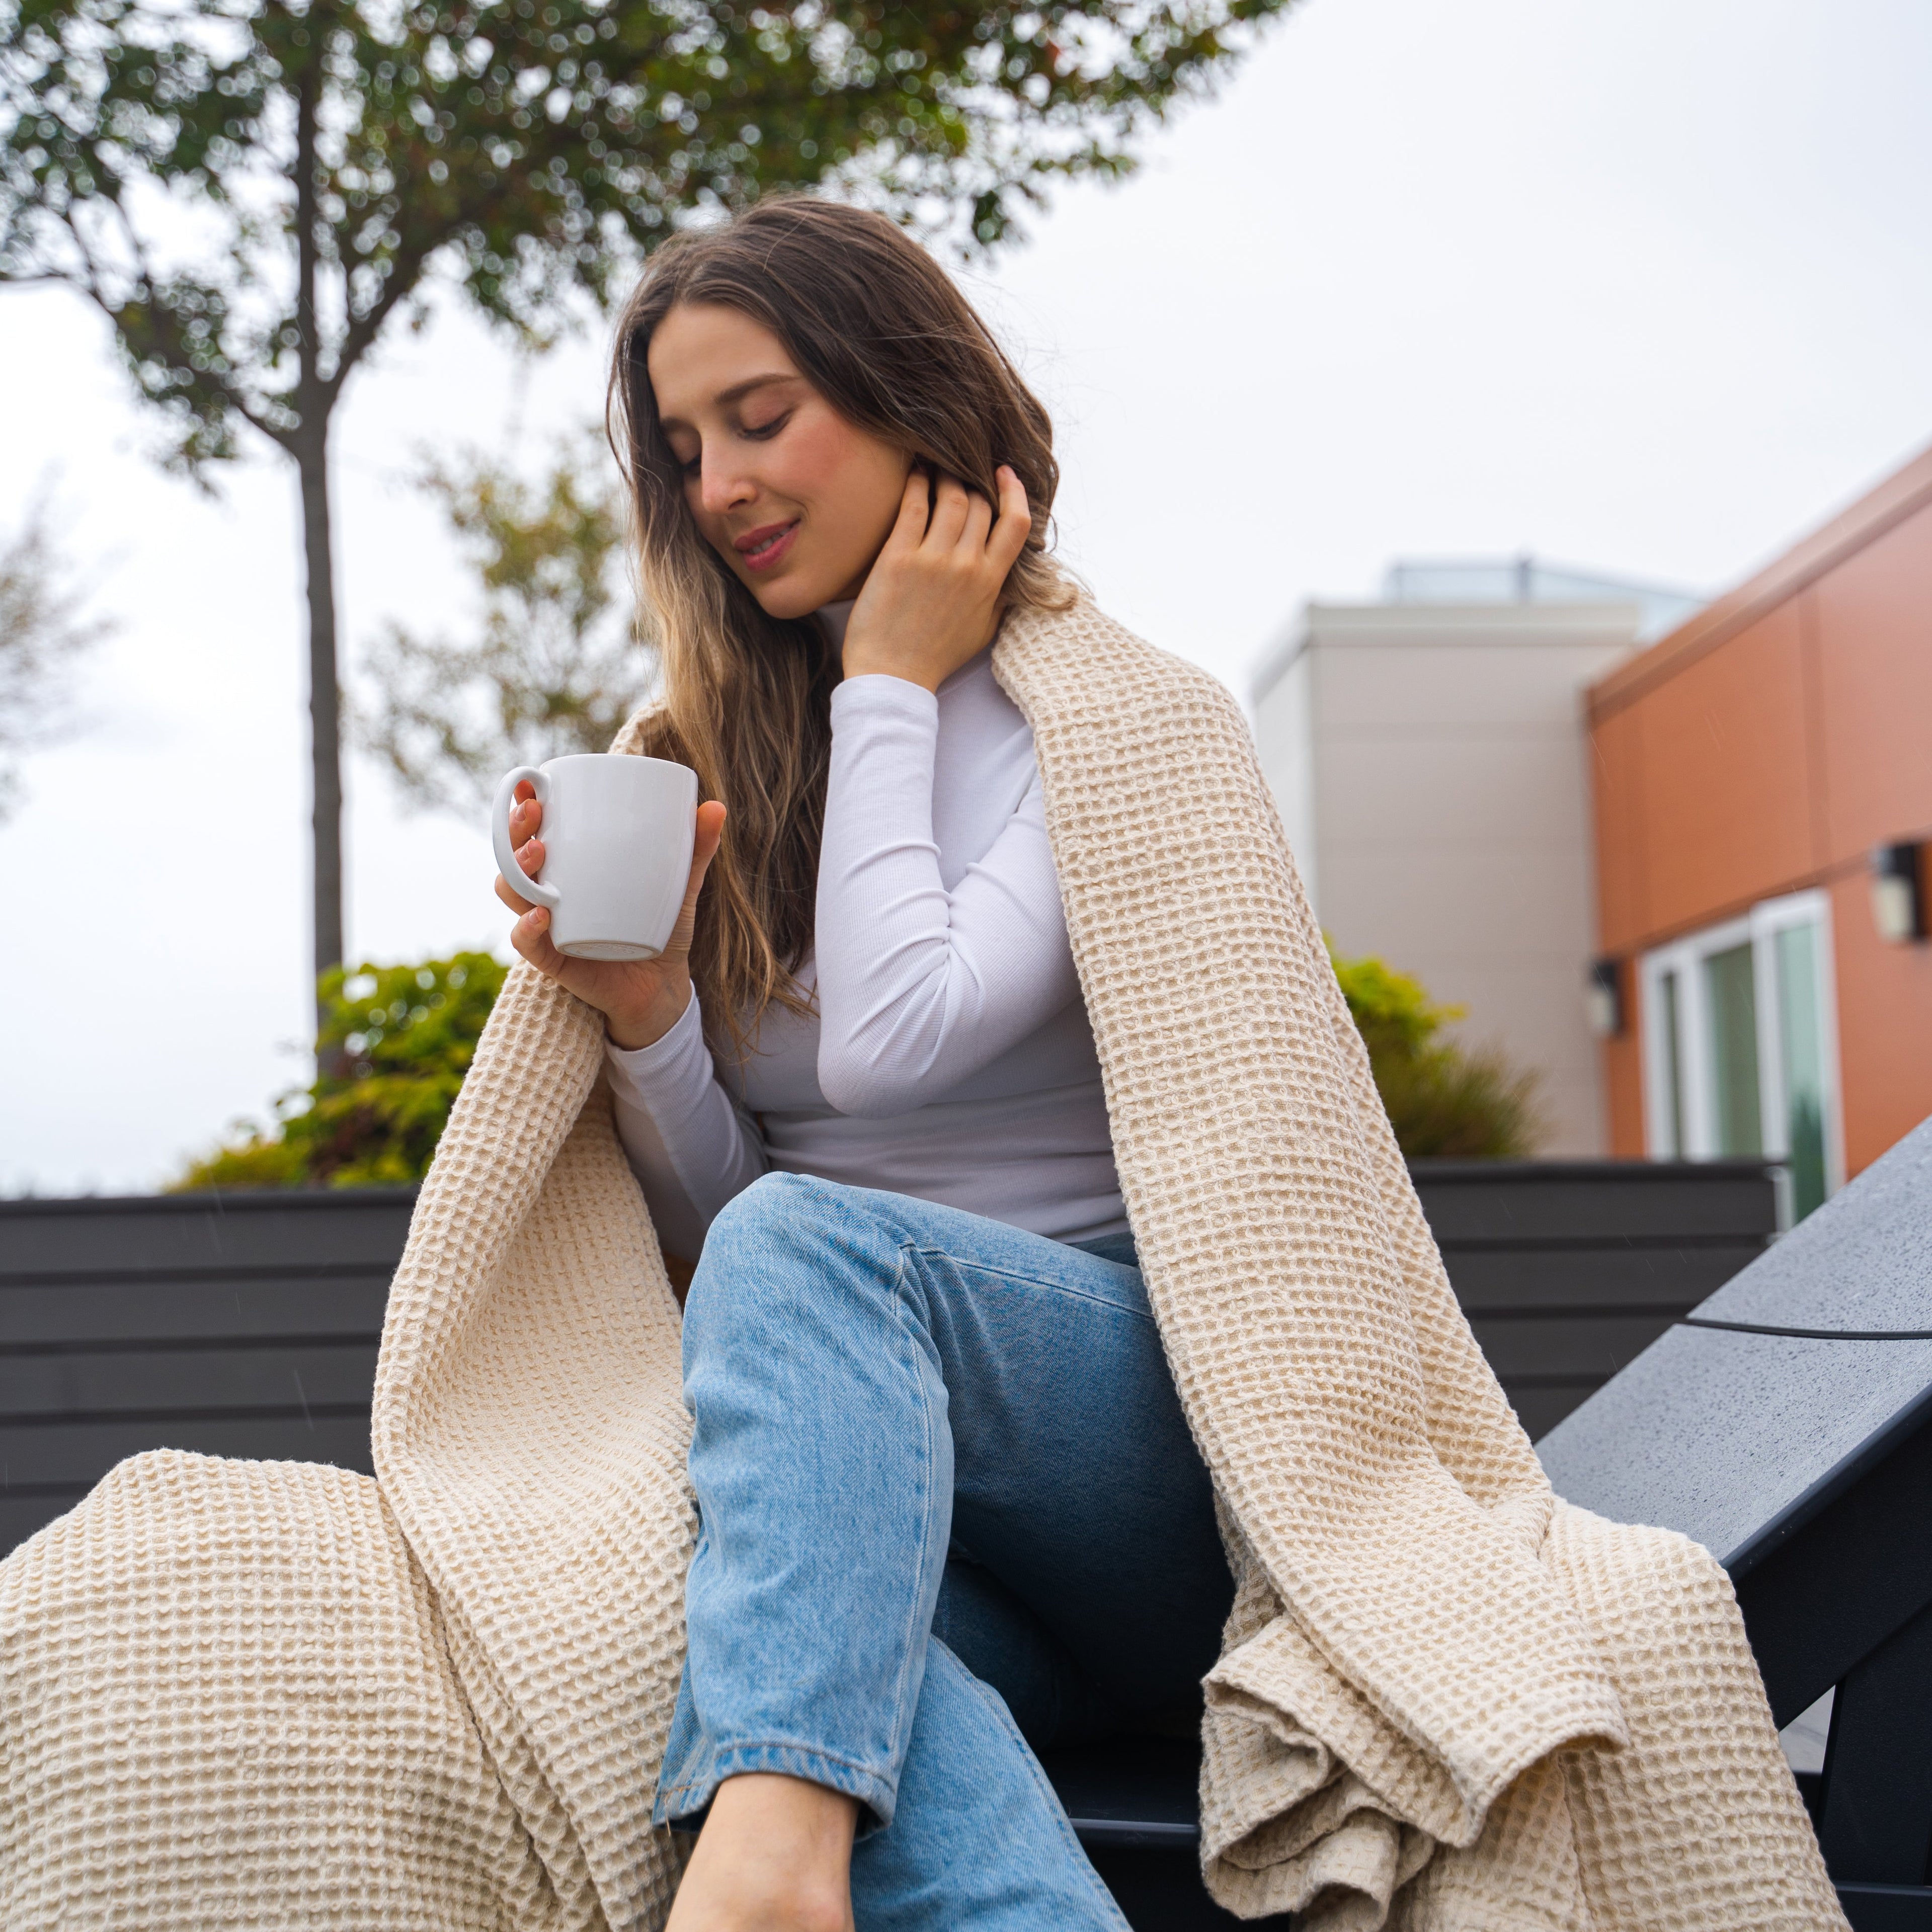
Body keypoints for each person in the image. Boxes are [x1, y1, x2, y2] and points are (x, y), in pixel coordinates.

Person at [496, 198, 1232, 1932]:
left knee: (809, 1272)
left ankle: (758, 1881)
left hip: (1144, 1461)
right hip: (917, 1510)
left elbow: (892, 1054)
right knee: (787, 1661)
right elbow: (738, 1222)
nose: (720, 484)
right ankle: (809, 1857)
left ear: (914, 399)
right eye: (682, 449)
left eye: (763, 417)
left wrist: (893, 682)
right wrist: (651, 1006)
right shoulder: (717, 750)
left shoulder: (1112, 722)